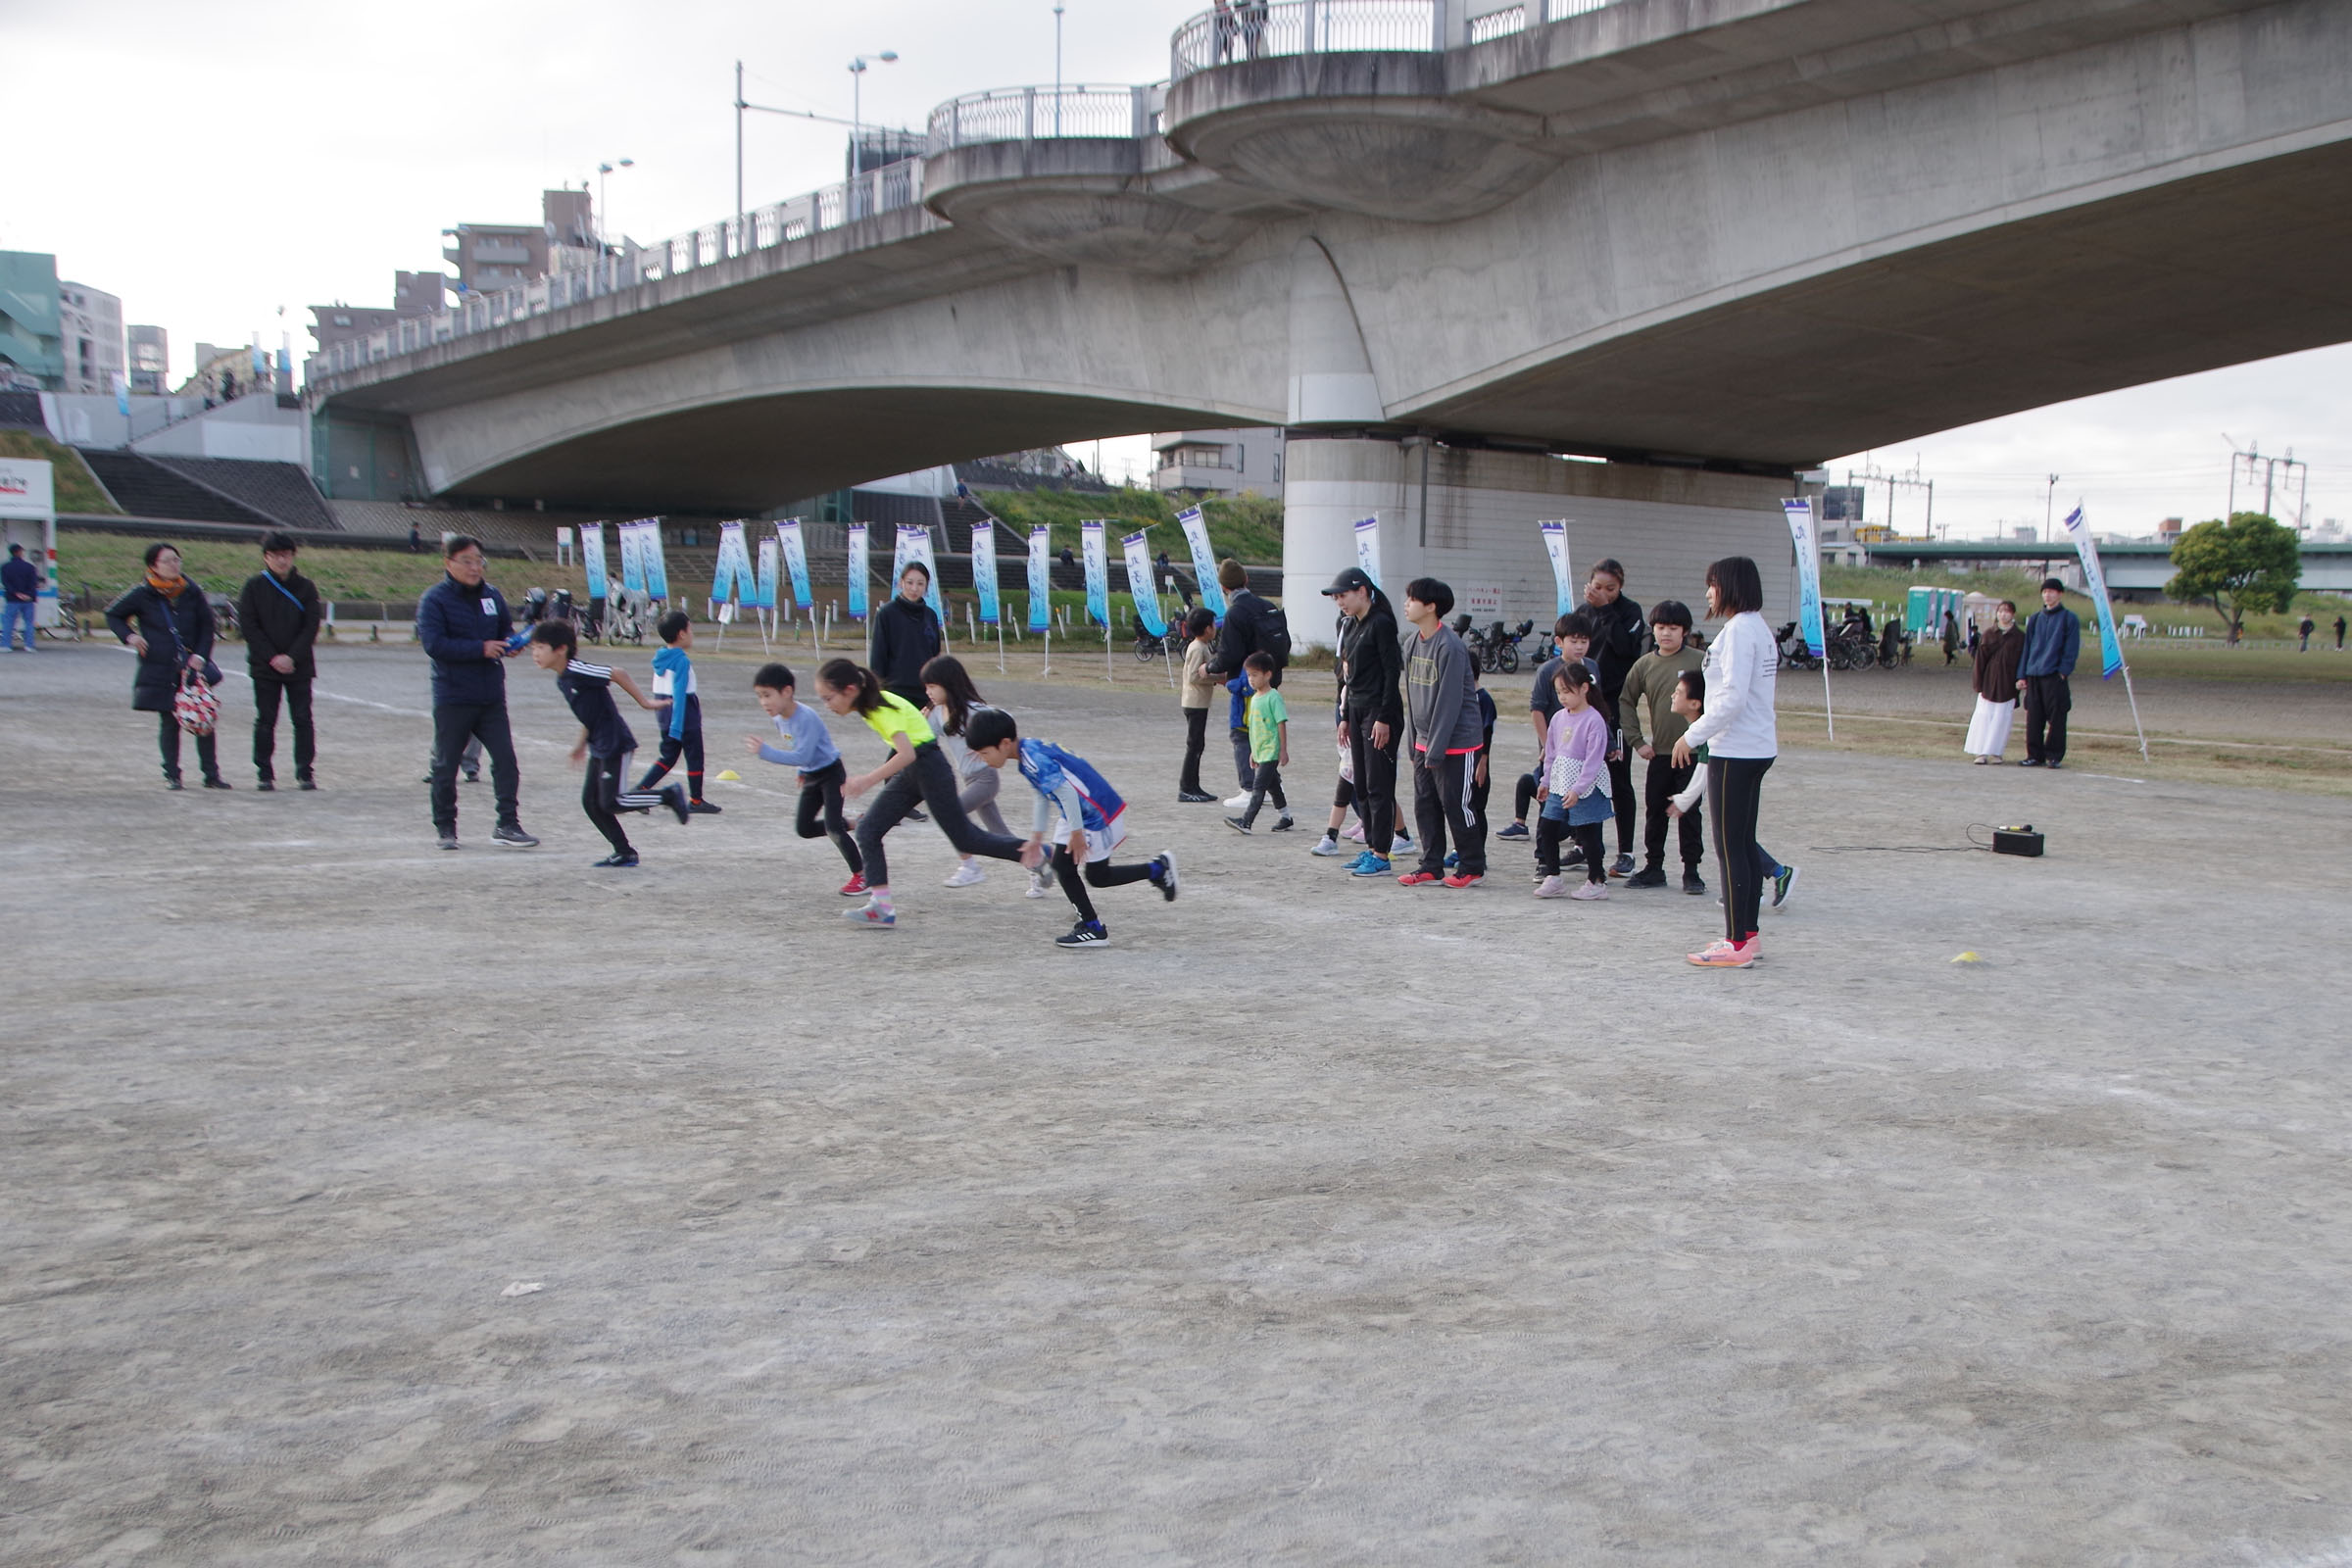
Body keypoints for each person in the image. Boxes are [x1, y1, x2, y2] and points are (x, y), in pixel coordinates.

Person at [818, 658, 1025, 929]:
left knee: (968, 838)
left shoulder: (879, 709)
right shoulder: (872, 703)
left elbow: (907, 753)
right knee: (868, 829)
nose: (827, 705)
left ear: (849, 690)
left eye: (828, 697)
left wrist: (867, 780)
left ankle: (1042, 853)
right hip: (917, 770)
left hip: (928, 768)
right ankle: (881, 907)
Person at [966, 707, 1179, 949]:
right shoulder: (1029, 752)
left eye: (984, 753)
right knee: (1063, 866)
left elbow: (1066, 792)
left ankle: (1155, 870)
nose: (984, 760)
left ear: (1004, 743)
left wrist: (1077, 833)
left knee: (1098, 876)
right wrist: (1036, 837)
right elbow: (1042, 795)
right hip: (1078, 812)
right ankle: (1092, 924)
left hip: (1094, 813)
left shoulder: (1034, 759)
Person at [1674, 556, 1779, 969]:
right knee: (1743, 844)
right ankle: (1747, 934)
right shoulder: (1756, 628)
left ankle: (1736, 943)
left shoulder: (1738, 631)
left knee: (1730, 847)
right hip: (1753, 746)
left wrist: (1691, 734)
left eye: (1712, 584)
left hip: (1735, 749)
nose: (1707, 593)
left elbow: (1731, 699)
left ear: (1730, 586)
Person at [524, 621, 689, 866]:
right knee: (590, 802)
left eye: (540, 647)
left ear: (560, 649)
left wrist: (644, 702)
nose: (535, 653)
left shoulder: (578, 669)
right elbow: (589, 715)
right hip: (599, 745)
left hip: (615, 743)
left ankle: (667, 795)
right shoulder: (563, 679)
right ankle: (624, 852)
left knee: (613, 802)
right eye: (532, 648)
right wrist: (580, 744)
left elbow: (618, 673)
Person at [417, 535, 536, 850]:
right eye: (467, 561)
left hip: (491, 695)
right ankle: (446, 828)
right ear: (449, 563)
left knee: (506, 760)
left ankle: (507, 824)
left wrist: (511, 644)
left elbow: (504, 632)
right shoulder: (434, 600)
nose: (475, 567)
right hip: (453, 695)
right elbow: (434, 645)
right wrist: (479, 648)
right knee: (446, 764)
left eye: (479, 561)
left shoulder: (492, 596)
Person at [1665, 669, 1796, 913]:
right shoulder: (1704, 725)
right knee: (1735, 837)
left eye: (1679, 692)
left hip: (1740, 769)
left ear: (1695, 703)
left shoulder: (1707, 728)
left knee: (1732, 838)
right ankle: (1752, 887)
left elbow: (1704, 771)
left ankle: (1772, 876)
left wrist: (1684, 800)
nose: (1673, 695)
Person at [105, 542, 227, 790]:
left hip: (192, 667)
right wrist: (130, 636)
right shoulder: (143, 593)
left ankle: (211, 774)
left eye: (177, 560)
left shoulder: (191, 590)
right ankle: (172, 774)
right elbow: (113, 614)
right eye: (168, 561)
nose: (174, 565)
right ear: (153, 566)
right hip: (161, 666)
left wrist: (201, 656)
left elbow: (207, 626)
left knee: (204, 719)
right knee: (169, 721)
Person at [742, 662, 865, 897]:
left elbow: (804, 754)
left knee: (833, 829)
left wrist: (766, 752)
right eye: (759, 696)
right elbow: (801, 751)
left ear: (787, 692)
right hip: (811, 774)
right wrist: (802, 771)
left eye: (767, 695)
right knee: (804, 828)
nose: (763, 702)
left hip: (831, 773)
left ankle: (862, 876)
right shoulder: (779, 717)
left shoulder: (805, 717)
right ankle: (854, 823)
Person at [1398, 577, 1486, 889]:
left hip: (1456, 743)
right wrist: (1414, 744)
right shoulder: (1410, 643)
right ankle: (1430, 865)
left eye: (1412, 598)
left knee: (1455, 803)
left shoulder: (1451, 646)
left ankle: (1472, 865)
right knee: (1425, 803)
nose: (1406, 604)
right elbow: (1412, 699)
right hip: (1424, 742)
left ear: (1431, 606)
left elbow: (1449, 703)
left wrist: (1435, 749)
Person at [1616, 599, 1706, 892]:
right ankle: (1654, 866)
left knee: (1689, 812)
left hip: (1694, 753)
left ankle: (1691, 871)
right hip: (1661, 753)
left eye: (1673, 628)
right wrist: (1637, 740)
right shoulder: (1644, 665)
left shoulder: (1700, 661)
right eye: (1660, 627)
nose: (1666, 633)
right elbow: (1626, 701)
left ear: (1685, 631)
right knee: (1656, 811)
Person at [1325, 566, 1404, 876]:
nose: (1339, 602)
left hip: (1378, 713)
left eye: (1343, 595)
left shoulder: (1381, 624)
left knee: (1378, 783)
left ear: (1362, 591)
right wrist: (1344, 716)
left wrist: (1384, 718)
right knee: (1361, 784)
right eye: (1336, 598)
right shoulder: (1352, 625)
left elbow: (1390, 674)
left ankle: (1382, 853)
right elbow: (1349, 676)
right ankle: (1371, 846)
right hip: (1356, 710)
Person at [1499, 612, 1594, 848]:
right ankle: (1544, 853)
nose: (1580, 646)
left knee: (1582, 794)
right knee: (1550, 798)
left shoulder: (1592, 668)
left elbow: (1597, 706)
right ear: (1559, 642)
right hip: (1556, 748)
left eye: (1584, 641)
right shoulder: (1548, 670)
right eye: (1574, 641)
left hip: (1583, 748)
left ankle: (1580, 843)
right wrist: (1546, 744)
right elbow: (1537, 709)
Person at [236, 531, 321, 790]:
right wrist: (273, 657)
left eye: (286, 555)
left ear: (293, 556)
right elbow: (249, 626)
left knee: (303, 719)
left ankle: (305, 772)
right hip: (265, 666)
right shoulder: (253, 587)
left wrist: (291, 656)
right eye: (275, 556)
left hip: (300, 665)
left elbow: (311, 626)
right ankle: (264, 772)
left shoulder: (306, 587)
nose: (281, 561)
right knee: (265, 719)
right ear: (266, 557)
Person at [921, 654, 1013, 888]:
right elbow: (924, 743)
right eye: (926, 687)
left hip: (986, 778)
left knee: (951, 814)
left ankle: (970, 867)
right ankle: (1037, 864)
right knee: (1002, 836)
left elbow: (1005, 719)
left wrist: (986, 742)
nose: (928, 692)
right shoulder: (937, 712)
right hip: (969, 778)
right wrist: (918, 723)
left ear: (949, 684)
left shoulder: (974, 711)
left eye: (933, 686)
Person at [1581, 561, 1647, 877]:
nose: (1603, 593)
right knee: (1582, 774)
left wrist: (1606, 609)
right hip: (1584, 704)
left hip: (1616, 705)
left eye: (1611, 588)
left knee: (1619, 779)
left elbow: (1625, 648)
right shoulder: (1583, 612)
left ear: (1620, 586)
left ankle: (1627, 852)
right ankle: (1584, 844)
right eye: (1598, 587)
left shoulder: (1630, 612)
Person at [1206, 557, 1289, 805]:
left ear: (1224, 588)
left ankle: (1251, 788)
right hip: (1271, 680)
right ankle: (1270, 785)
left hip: (1246, 685)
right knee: (1267, 733)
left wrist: (1209, 667)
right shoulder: (1267, 606)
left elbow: (1228, 654)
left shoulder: (1235, 613)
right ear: (1247, 580)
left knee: (1242, 734)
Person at [1532, 662, 1611, 901]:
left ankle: (1596, 880)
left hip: (1586, 786)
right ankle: (1553, 876)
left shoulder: (1594, 720)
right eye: (1559, 692)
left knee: (1588, 834)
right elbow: (1551, 753)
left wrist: (1579, 788)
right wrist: (1545, 781)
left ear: (1584, 688)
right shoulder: (1557, 718)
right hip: (1559, 781)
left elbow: (1593, 760)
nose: (1563, 697)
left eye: (1567, 691)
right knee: (1547, 827)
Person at [634, 611, 719, 812]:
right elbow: (680, 694)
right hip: (683, 717)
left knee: (668, 757)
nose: (692, 633)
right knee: (695, 756)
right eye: (690, 629)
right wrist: (678, 726)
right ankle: (696, 801)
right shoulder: (681, 660)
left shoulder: (661, 657)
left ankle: (640, 792)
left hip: (664, 714)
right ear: (681, 634)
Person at [2016, 577, 2081, 770]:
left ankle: (2054, 755)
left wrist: (2063, 672)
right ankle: (2034, 755)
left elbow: (2071, 648)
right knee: (2033, 717)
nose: (2048, 595)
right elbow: (2027, 648)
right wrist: (2022, 674)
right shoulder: (2035, 619)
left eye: (2052, 591)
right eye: (2045, 591)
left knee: (2057, 717)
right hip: (2034, 673)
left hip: (2054, 674)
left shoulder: (2069, 618)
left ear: (2059, 594)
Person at [1223, 652, 1291, 834]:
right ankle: (1286, 817)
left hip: (1271, 750)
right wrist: (1253, 751)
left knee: (1258, 787)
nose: (1251, 680)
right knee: (1273, 785)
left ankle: (1246, 821)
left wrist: (1283, 750)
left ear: (1267, 675)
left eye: (1255, 675)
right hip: (1260, 750)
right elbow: (1254, 728)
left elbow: (1281, 722)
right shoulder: (1253, 699)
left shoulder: (1273, 697)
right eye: (1248, 675)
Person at [869, 563, 944, 710]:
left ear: (926, 586)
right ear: (901, 582)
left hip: (925, 693)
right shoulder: (886, 613)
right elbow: (878, 656)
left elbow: (935, 656)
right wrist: (879, 691)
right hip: (895, 692)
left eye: (920, 584)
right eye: (909, 582)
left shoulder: (930, 616)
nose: (914, 588)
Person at [1965, 600, 2025, 764]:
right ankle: (1981, 752)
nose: (2003, 614)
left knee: (2002, 718)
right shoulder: (1989, 634)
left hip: (2008, 682)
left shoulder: (2020, 637)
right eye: (2000, 611)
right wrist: (1978, 682)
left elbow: (2022, 660)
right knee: (1984, 716)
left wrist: (2021, 679)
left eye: (2007, 611)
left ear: (2013, 614)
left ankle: (1996, 752)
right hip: (1989, 681)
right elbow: (1980, 660)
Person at [1177, 608, 1219, 803]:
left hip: (1199, 702)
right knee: (1194, 745)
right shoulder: (1197, 648)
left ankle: (1194, 785)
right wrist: (1215, 678)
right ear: (1206, 628)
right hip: (1194, 703)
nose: (1215, 628)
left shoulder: (1203, 646)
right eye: (1213, 624)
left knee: (1198, 745)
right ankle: (1186, 787)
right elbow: (1193, 676)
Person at [2, 543, 37, 652]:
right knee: (29, 623)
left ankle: (6, 645)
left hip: (12, 599)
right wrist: (28, 594)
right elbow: (33, 583)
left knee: (8, 622)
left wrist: (16, 593)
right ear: (18, 552)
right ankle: (29, 645)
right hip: (27, 600)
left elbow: (5, 583)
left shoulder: (5, 567)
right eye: (22, 551)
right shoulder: (30, 567)